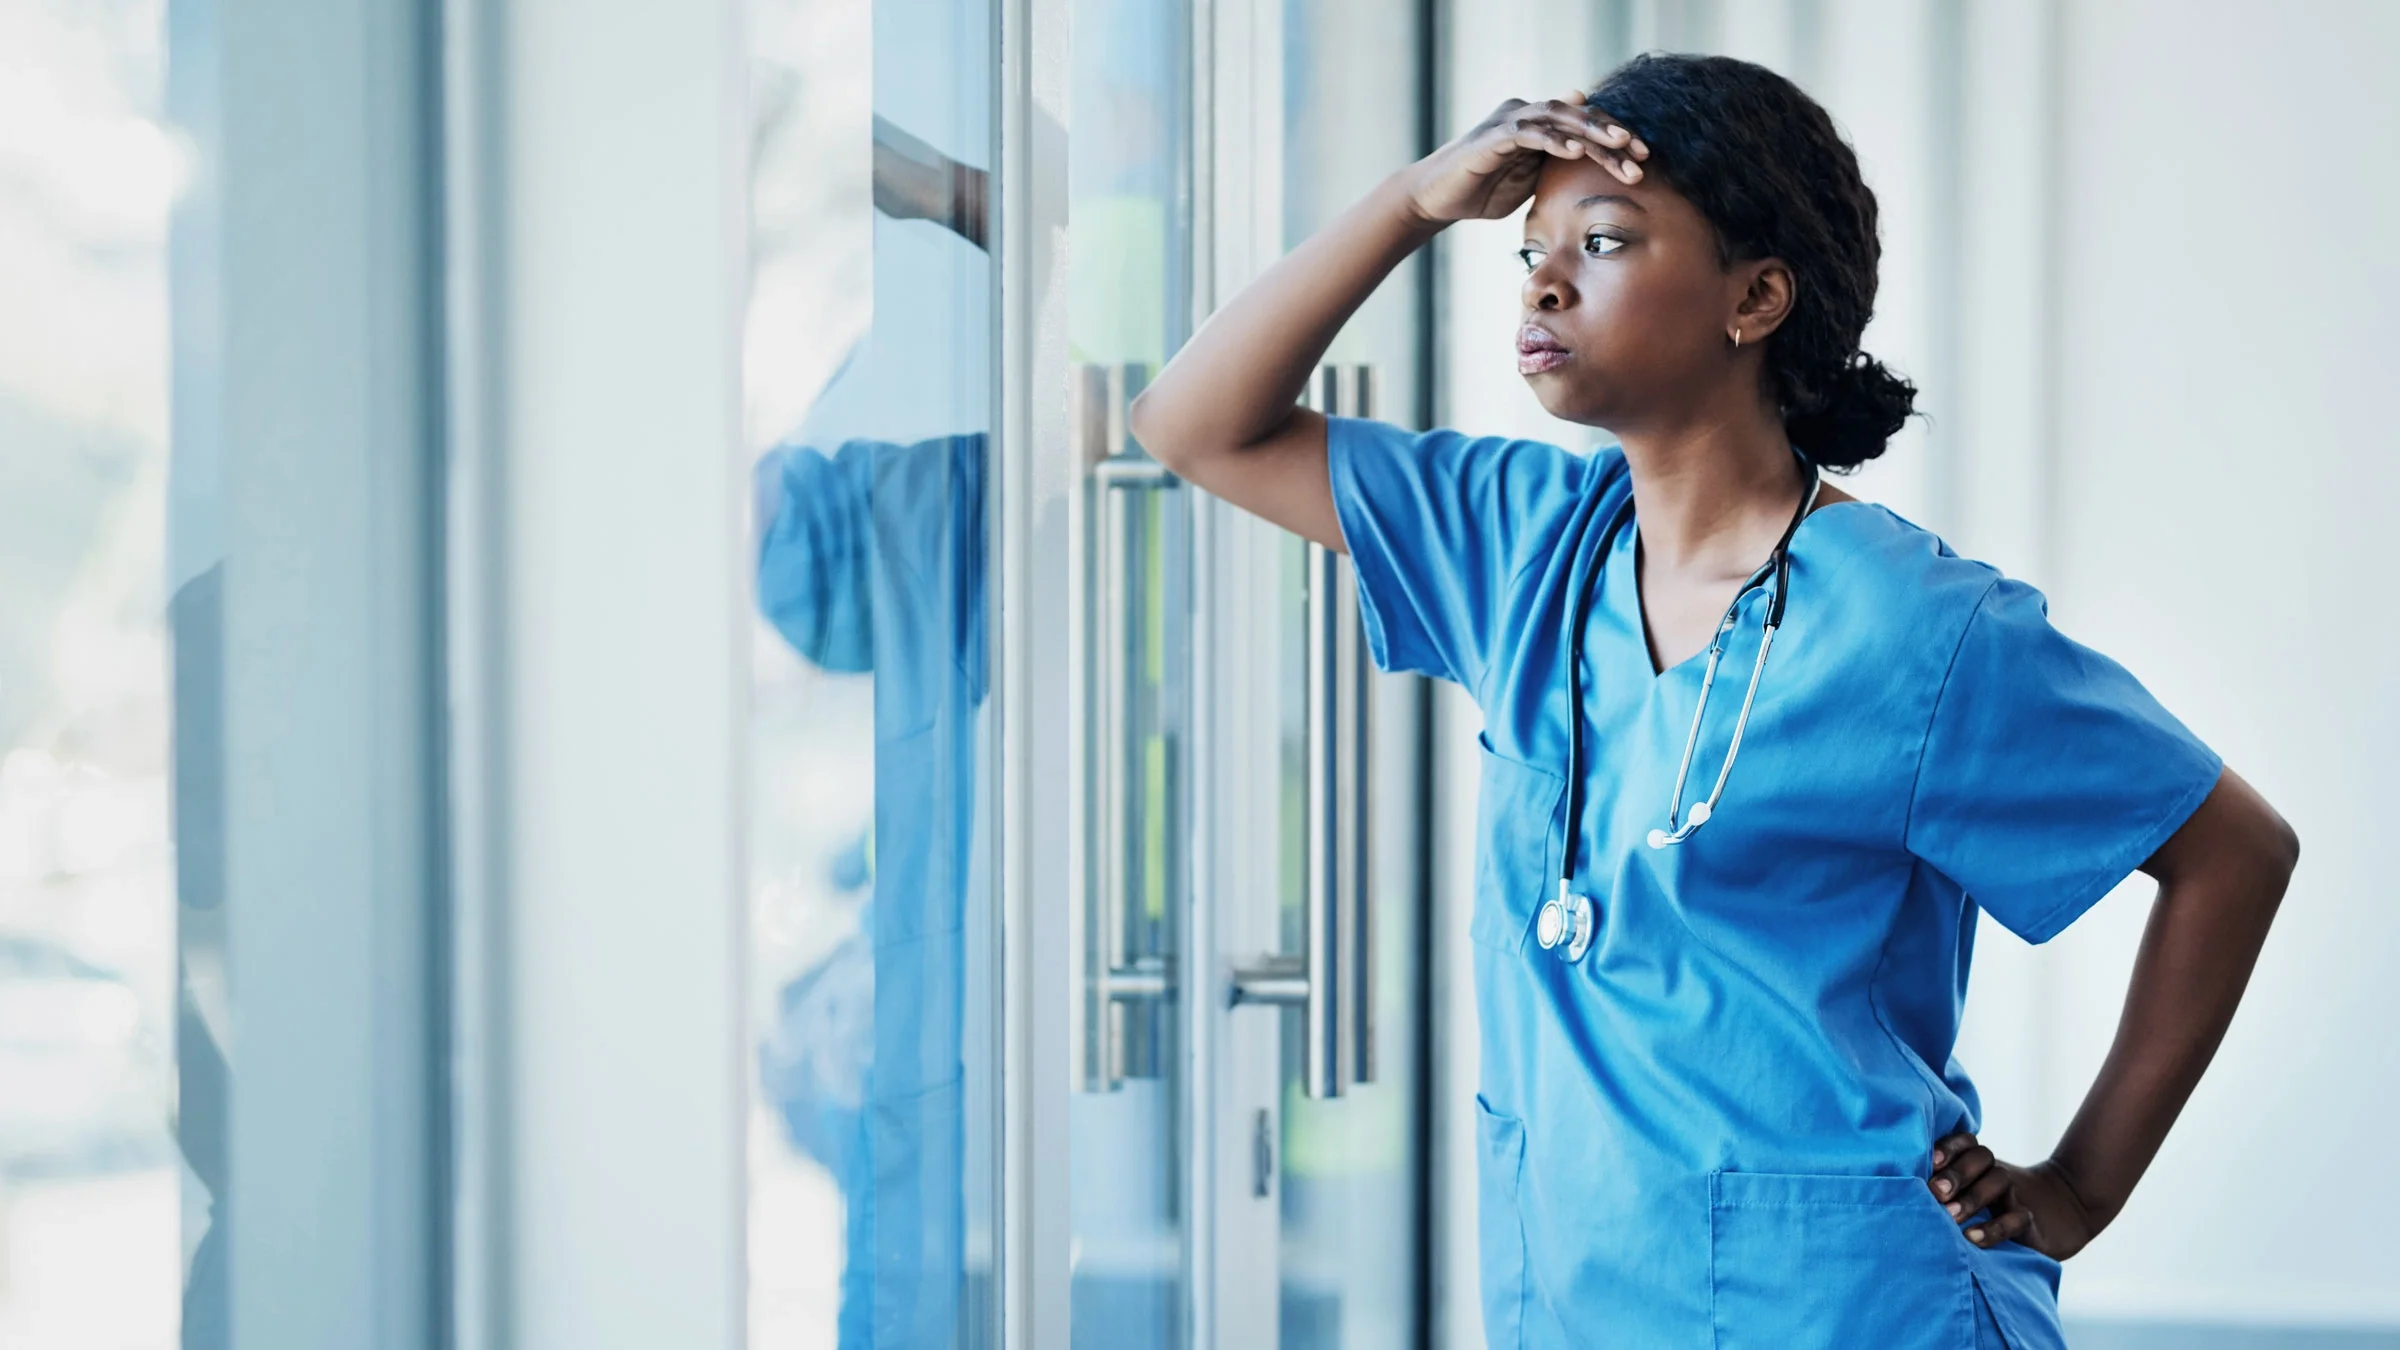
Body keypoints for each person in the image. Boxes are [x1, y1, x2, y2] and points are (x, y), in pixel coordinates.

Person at [1129, 53, 2298, 1350]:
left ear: (1755, 297)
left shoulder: (1922, 629)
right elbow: (1194, 424)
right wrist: (1411, 202)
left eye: (1607, 240)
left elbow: (2233, 853)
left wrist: (2082, 1182)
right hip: (1576, 1300)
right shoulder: (1513, 544)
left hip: (1856, 1310)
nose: (1548, 280)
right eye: (1530, 254)